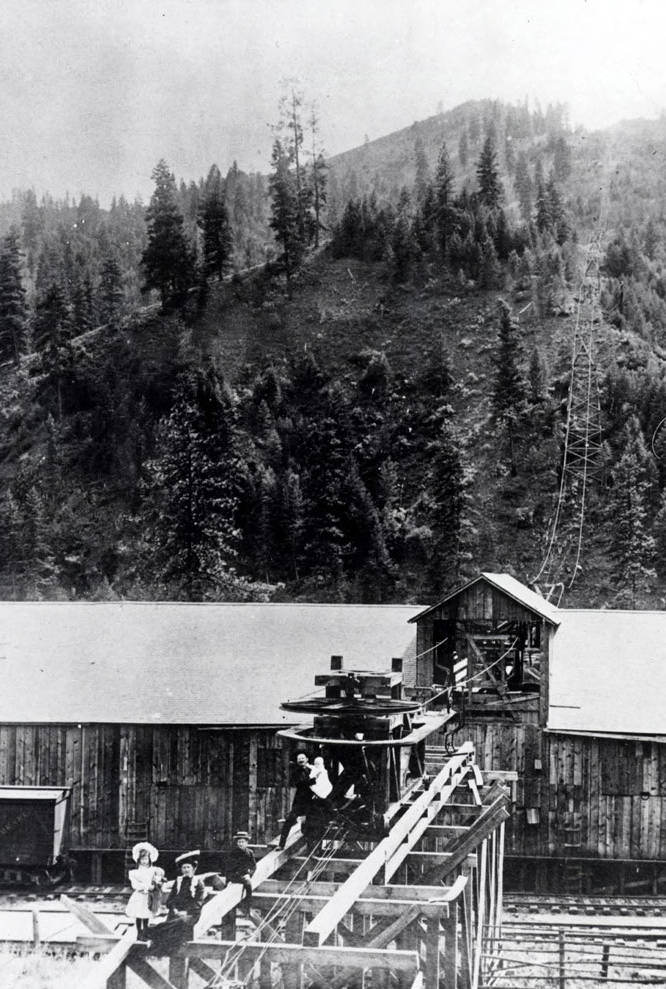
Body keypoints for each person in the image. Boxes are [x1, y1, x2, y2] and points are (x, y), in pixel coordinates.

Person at [151, 850, 206, 953]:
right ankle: (164, 945)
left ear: (193, 868)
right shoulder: (179, 881)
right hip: (176, 911)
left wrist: (186, 912)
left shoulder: (198, 882)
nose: (186, 870)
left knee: (180, 922)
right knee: (172, 925)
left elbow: (198, 902)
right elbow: (171, 899)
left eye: (188, 867)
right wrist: (174, 909)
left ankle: (153, 932)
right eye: (184, 867)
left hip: (191, 913)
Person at [126, 841, 164, 939]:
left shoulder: (153, 870)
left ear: (149, 859)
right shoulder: (135, 872)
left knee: (146, 914)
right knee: (139, 914)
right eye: (142, 859)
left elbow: (159, 877)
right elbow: (135, 885)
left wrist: (156, 883)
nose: (144, 861)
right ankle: (139, 933)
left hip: (149, 896)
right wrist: (146, 887)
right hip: (140, 895)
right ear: (138, 860)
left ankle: (146, 931)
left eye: (146, 859)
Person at [278, 751, 315, 849]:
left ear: (307, 759)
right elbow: (300, 783)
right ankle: (281, 844)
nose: (301, 760)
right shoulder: (295, 772)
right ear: (297, 761)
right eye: (299, 759)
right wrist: (312, 781)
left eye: (303, 758)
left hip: (310, 801)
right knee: (289, 821)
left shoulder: (312, 770)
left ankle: (311, 848)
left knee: (310, 824)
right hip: (299, 801)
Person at [219, 831, 256, 913]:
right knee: (228, 891)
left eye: (243, 842)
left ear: (246, 843)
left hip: (244, 875)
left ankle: (247, 906)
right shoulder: (233, 853)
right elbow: (228, 867)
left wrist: (249, 874)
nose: (241, 844)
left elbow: (253, 866)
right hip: (234, 875)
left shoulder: (250, 853)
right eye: (239, 842)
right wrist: (229, 880)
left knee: (248, 885)